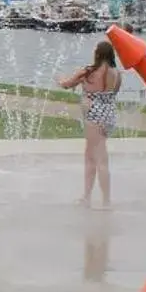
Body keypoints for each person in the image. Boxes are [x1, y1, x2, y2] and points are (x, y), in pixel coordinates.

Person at [58, 40, 122, 207]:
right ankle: (87, 196)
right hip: (108, 114)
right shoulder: (116, 74)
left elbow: (67, 84)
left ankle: (104, 200)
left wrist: (59, 79)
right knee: (92, 155)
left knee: (99, 159)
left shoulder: (89, 72)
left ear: (97, 54)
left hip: (93, 114)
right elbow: (112, 94)